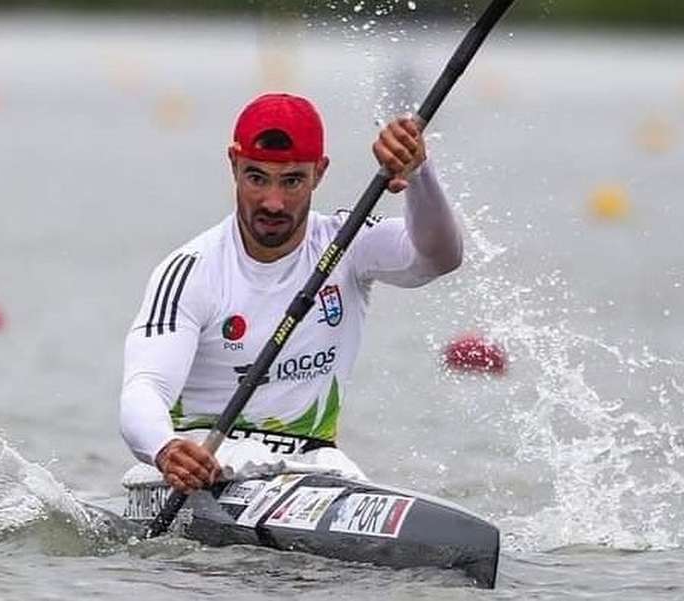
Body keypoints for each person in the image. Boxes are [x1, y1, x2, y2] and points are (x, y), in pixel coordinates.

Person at [120, 92, 463, 494]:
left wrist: (419, 172)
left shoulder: (347, 243)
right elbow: (144, 387)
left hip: (314, 465)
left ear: (320, 172)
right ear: (233, 164)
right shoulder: (192, 270)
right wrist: (165, 449)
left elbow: (439, 258)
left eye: (293, 181)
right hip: (209, 466)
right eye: (256, 178)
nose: (273, 202)